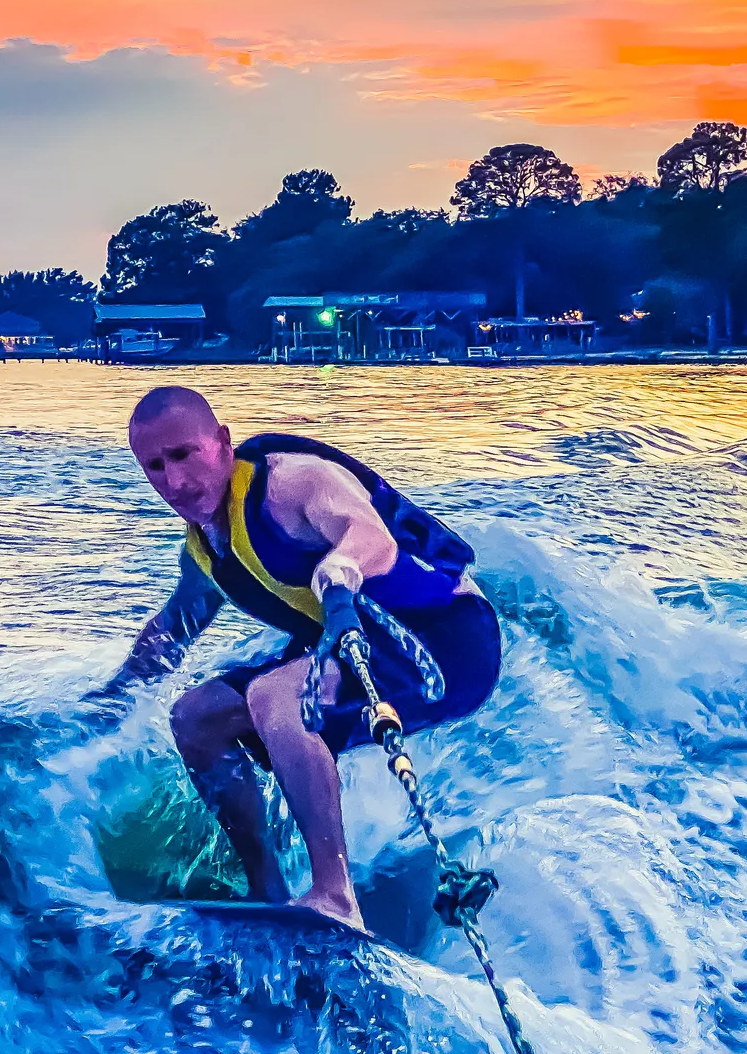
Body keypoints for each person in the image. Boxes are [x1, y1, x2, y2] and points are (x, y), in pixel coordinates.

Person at [105, 385, 501, 929]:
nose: (173, 481)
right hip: (356, 643)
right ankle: (268, 892)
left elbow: (371, 537)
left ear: (222, 442)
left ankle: (335, 895)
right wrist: (106, 703)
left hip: (448, 644)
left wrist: (341, 567)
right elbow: (174, 628)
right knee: (196, 717)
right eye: (154, 466)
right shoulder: (205, 548)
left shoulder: (292, 483)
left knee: (277, 698)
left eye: (183, 455)